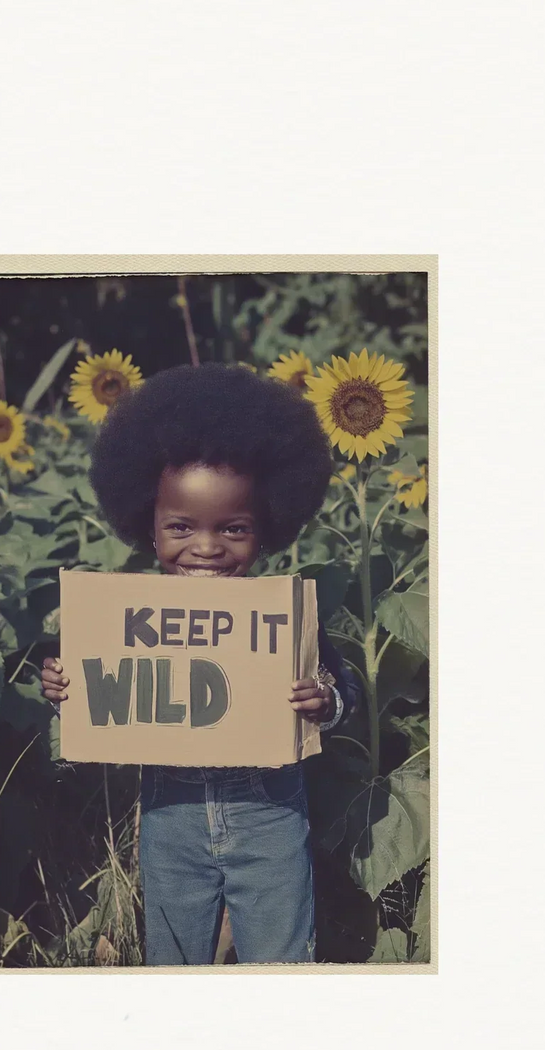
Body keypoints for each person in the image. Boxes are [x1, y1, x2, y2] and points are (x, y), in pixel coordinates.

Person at [40, 364, 359, 965]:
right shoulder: (126, 616)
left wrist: (325, 698)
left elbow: (344, 686)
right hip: (172, 820)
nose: (207, 548)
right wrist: (62, 685)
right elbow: (98, 686)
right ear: (148, 526)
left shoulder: (285, 614)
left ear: (266, 529)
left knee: (280, 956)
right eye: (181, 527)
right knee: (174, 956)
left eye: (233, 529)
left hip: (270, 819)